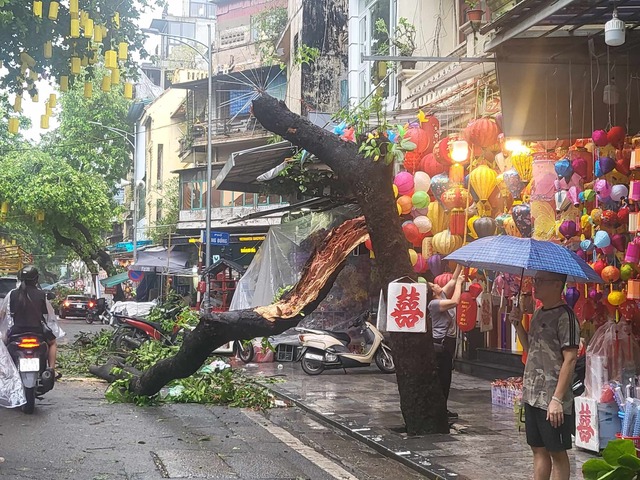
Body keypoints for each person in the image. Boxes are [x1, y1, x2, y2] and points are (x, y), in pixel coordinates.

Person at [510, 271, 580, 480]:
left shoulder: (566, 317)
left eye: (541, 281)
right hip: (532, 394)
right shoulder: (539, 312)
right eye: (535, 280)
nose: (535, 285)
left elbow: (570, 359)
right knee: (538, 449)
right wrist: (518, 324)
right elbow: (531, 348)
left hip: (552, 398)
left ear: (557, 285)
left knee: (557, 452)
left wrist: (557, 399)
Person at [3, 266, 59, 371]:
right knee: (53, 343)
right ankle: (52, 370)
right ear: (36, 279)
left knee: (2, 345)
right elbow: (50, 315)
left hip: (16, 332)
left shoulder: (12, 294)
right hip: (38, 332)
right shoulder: (42, 295)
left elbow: (3, 314)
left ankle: (5, 372)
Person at [427, 264, 464, 420]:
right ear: (433, 292)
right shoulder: (434, 304)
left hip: (447, 341)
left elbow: (453, 279)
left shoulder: (441, 296)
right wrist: (461, 284)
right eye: (434, 285)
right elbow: (455, 301)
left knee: (446, 377)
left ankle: (443, 407)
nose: (437, 284)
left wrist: (461, 263)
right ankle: (439, 409)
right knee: (442, 377)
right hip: (440, 343)